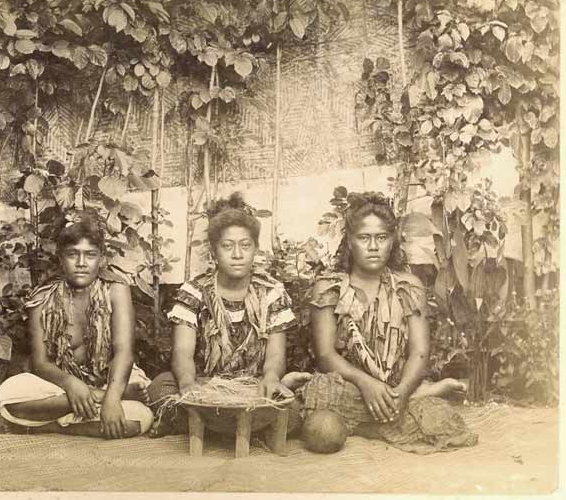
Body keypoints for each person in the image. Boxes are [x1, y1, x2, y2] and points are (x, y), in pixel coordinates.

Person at [299, 192, 478, 453]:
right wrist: (366, 384)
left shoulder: (408, 286)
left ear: (392, 241)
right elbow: (325, 354)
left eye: (381, 238)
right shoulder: (329, 288)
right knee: (322, 432)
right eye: (364, 238)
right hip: (348, 387)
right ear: (350, 242)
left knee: (445, 424)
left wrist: (403, 391)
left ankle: (408, 400)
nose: (373, 246)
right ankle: (408, 405)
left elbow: (419, 351)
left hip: (396, 389)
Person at [147, 193, 310, 435]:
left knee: (293, 412)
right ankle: (243, 430)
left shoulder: (272, 292)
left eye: (245, 245)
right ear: (214, 252)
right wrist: (188, 384)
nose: (237, 254)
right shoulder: (194, 291)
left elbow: (276, 353)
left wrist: (272, 377)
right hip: (205, 386)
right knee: (161, 388)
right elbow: (182, 352)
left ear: (255, 249)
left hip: (253, 389)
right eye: (227, 246)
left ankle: (209, 429)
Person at [0, 211, 154, 438]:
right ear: (61, 258)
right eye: (73, 254)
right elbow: (40, 363)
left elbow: (124, 353)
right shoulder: (42, 298)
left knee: (140, 418)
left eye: (90, 255)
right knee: (7, 395)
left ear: (101, 259)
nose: (81, 263)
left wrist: (112, 395)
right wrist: (73, 385)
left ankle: (45, 424)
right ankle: (90, 405)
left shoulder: (116, 291)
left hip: (112, 379)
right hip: (61, 383)